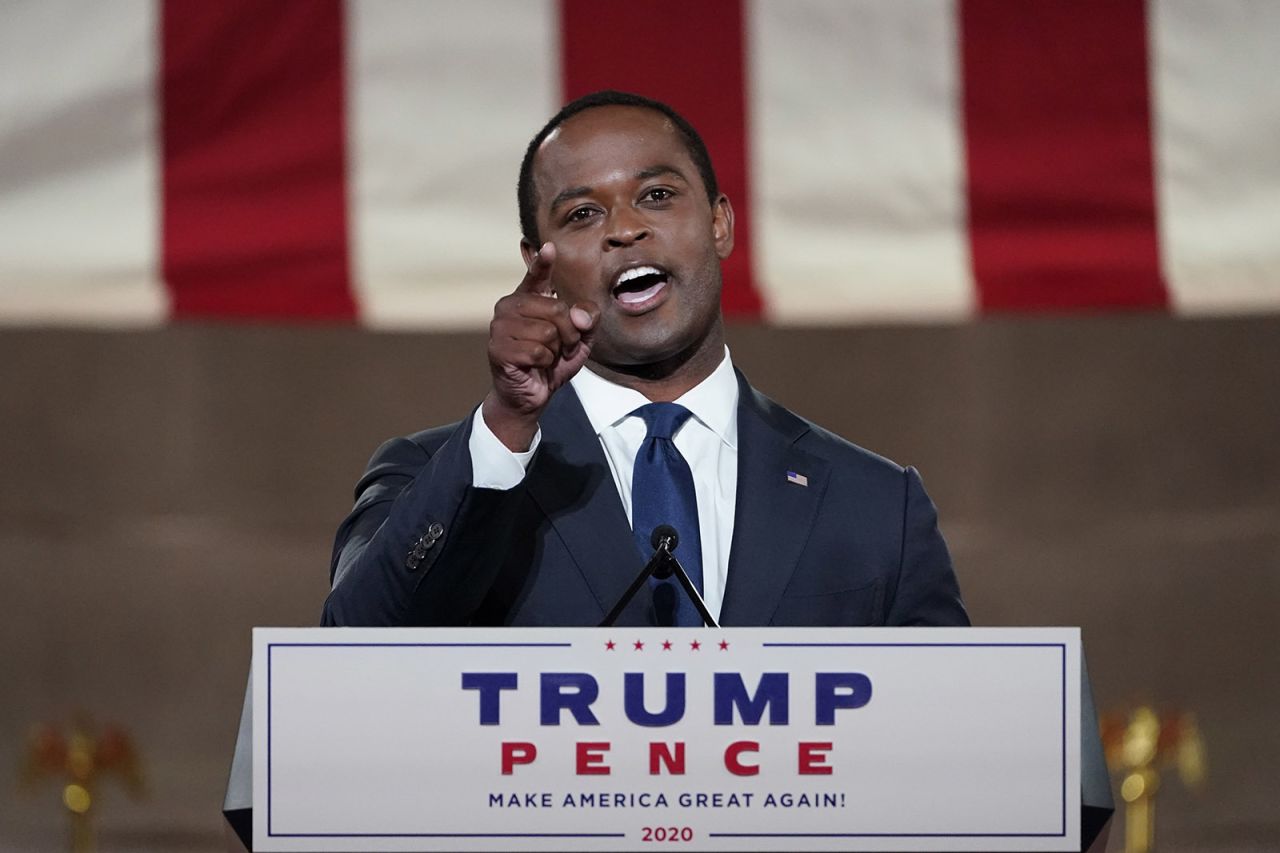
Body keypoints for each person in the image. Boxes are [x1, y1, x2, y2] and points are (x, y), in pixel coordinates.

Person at [322, 90, 967, 629]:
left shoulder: (878, 504)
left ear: (720, 224)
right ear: (538, 264)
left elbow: (955, 744)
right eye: (581, 213)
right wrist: (508, 423)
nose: (624, 228)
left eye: (656, 195)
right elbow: (346, 660)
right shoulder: (436, 474)